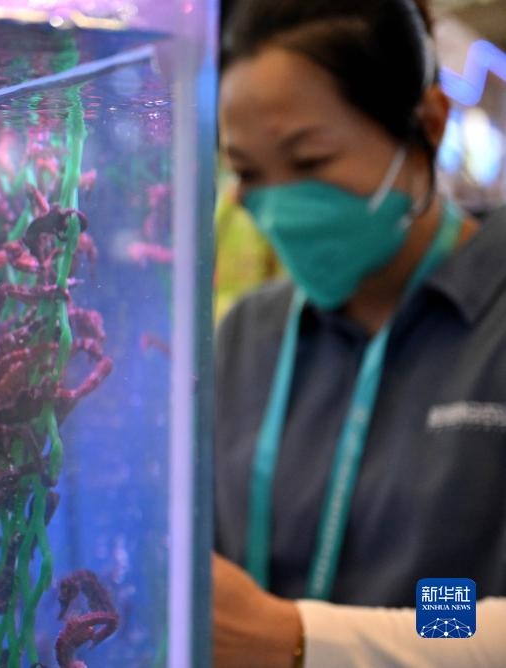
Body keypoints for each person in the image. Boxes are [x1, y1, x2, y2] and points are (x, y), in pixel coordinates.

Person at [214, 1, 506, 665]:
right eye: (248, 173)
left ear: (429, 124)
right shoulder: (246, 339)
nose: (280, 207)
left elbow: (480, 603)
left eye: (310, 160)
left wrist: (303, 639)